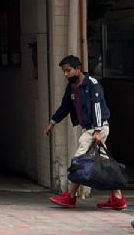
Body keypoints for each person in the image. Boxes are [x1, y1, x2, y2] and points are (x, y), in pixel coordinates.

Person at [44, 55, 126, 210]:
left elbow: (97, 107)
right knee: (105, 163)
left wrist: (97, 131)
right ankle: (118, 199)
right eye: (64, 71)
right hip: (92, 129)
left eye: (68, 70)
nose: (65, 74)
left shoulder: (92, 84)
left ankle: (70, 197)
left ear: (78, 69)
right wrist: (52, 122)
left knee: (79, 160)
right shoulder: (72, 87)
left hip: (96, 128)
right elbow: (65, 107)